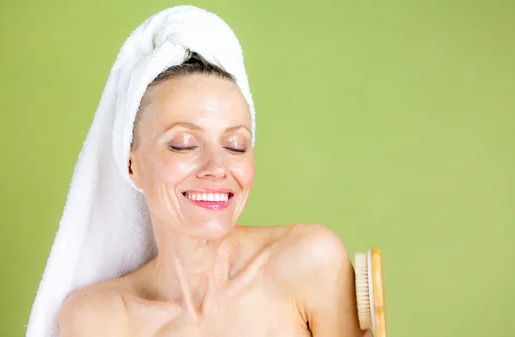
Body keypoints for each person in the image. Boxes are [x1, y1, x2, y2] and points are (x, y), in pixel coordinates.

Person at [54, 49, 372, 336]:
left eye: (236, 146)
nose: (216, 167)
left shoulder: (308, 263)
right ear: (132, 166)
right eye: (184, 144)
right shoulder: (100, 319)